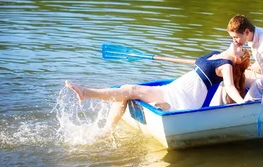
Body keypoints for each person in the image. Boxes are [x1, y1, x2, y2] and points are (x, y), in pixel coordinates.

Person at [65, 42, 251, 130]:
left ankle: (86, 92)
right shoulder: (216, 54)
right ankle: (107, 131)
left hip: (184, 98)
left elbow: (231, 87)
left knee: (131, 90)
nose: (239, 44)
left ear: (237, 59)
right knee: (128, 89)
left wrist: (242, 103)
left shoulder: (226, 65)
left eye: (242, 49)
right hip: (174, 89)